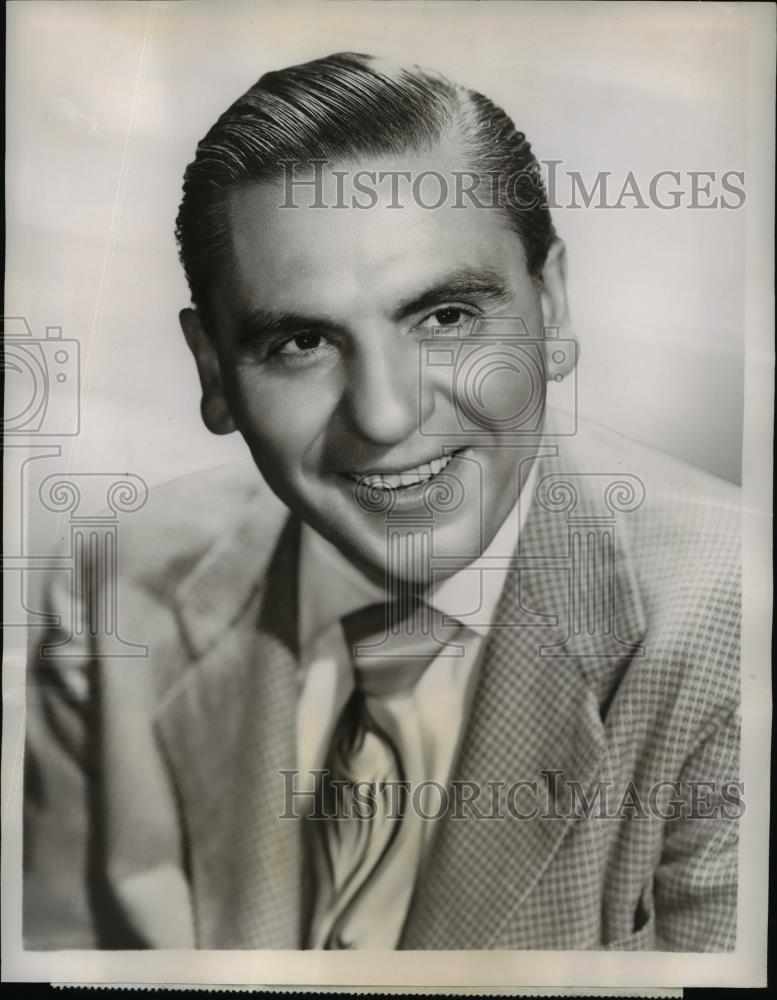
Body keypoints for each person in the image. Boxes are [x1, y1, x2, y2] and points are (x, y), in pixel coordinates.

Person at [23, 52, 741, 952]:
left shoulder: (737, 639)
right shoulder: (114, 597)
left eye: (444, 318)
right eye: (300, 340)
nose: (385, 413)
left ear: (551, 307)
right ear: (212, 370)